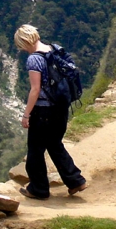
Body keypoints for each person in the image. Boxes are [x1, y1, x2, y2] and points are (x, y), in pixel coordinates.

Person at [14, 24, 88, 199]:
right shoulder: (53, 49)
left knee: (35, 149)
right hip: (60, 108)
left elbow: (35, 89)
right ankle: (76, 181)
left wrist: (26, 115)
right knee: (54, 144)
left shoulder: (34, 59)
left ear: (24, 42)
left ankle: (38, 189)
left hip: (43, 111)